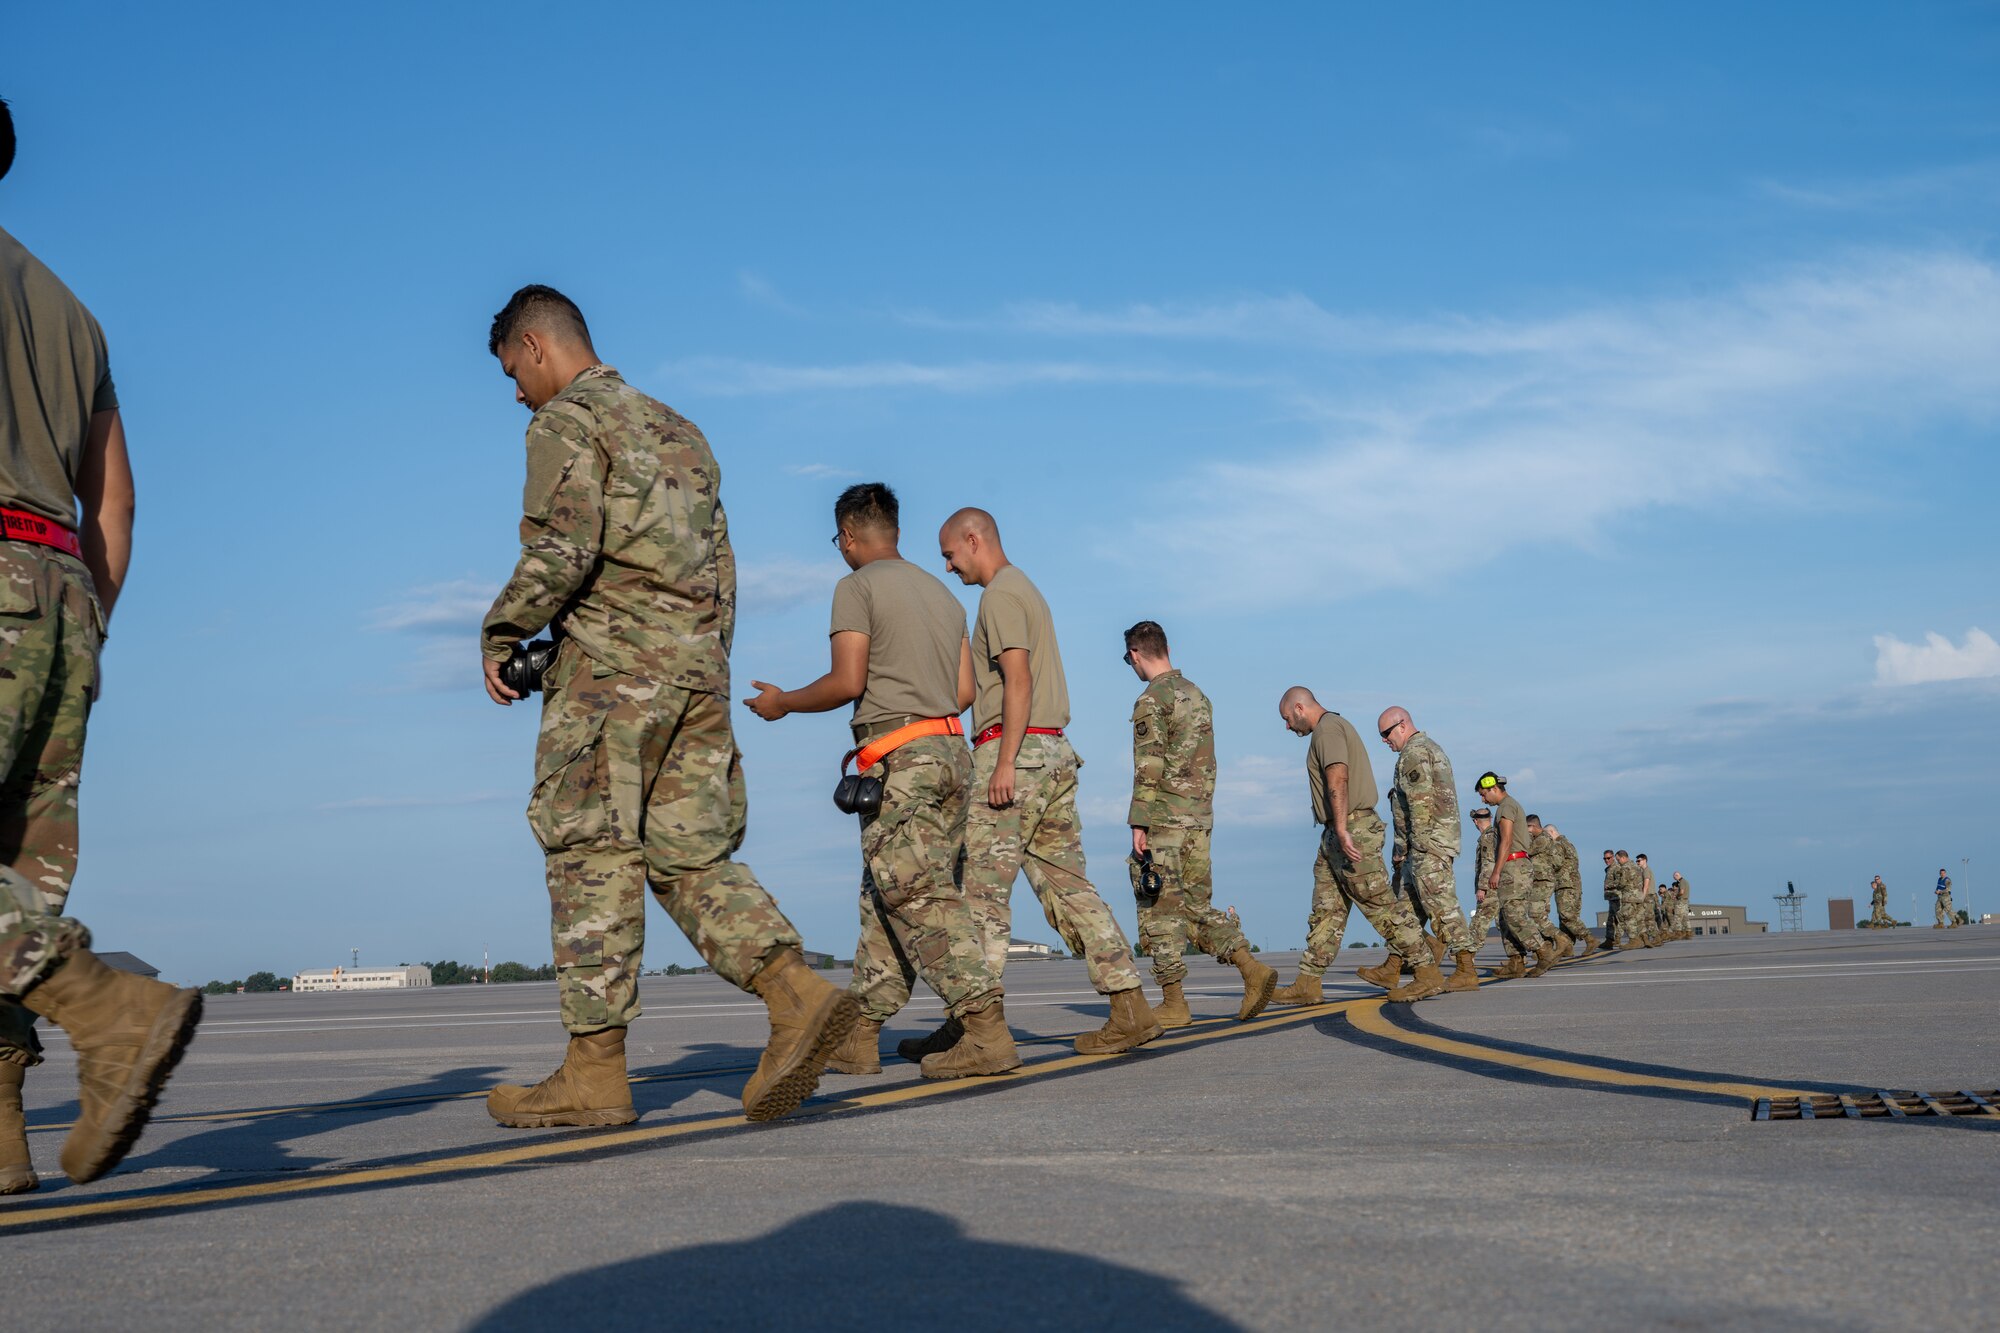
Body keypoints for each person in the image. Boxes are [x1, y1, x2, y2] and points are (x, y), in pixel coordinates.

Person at [479, 285, 855, 1128]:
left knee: (591, 854)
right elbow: (723, 568)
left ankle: (595, 1073)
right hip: (696, 673)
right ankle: (795, 991)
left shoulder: (566, 422)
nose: (515, 393)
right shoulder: (682, 429)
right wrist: (706, 662)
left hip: (610, 680)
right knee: (691, 858)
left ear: (537, 347)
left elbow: (564, 546)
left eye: (513, 372)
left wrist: (503, 633)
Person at [0, 98, 203, 1194]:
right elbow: (113, 501)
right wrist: (82, 618)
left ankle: (112, 1008)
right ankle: (1, 1140)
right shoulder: (70, 309)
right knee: (15, 882)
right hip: (61, 587)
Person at [742, 483, 1016, 1080]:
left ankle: (986, 1030)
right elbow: (966, 694)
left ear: (847, 537)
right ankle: (861, 1035)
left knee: (919, 900)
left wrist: (783, 702)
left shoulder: (855, 587)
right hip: (950, 754)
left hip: (901, 759)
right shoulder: (945, 597)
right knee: (886, 897)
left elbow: (847, 680)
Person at [915, 508, 1158, 1057]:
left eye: (950, 555)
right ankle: (1130, 1007)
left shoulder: (999, 595)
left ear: (973, 541)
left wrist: (1004, 762)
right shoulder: (1025, 589)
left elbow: (1017, 678)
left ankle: (979, 1032)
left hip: (1016, 753)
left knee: (981, 894)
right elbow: (983, 687)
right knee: (1069, 888)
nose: (950, 567)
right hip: (1051, 752)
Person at [1121, 621, 1276, 1026]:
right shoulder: (1198, 695)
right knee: (1194, 907)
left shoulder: (1151, 700)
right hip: (1199, 820)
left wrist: (1139, 822)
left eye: (1128, 658)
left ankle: (1174, 1003)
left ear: (1137, 654)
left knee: (1158, 910)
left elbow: (1149, 766)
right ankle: (1251, 969)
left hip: (1166, 822)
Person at [1271, 688, 1442, 1003]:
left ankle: (1426, 972)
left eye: (1287, 719)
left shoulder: (1327, 729)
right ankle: (1308, 983)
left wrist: (1341, 826)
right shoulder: (1329, 728)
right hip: (1336, 834)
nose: (1287, 727)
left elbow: (1338, 774)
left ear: (1298, 708)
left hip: (1350, 827)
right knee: (1326, 911)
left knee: (1379, 906)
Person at [1379, 707, 1478, 991]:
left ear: (1402, 725)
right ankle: (1393, 966)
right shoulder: (1424, 749)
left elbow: (1419, 803)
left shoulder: (1415, 752)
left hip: (1427, 845)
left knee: (1441, 905)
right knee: (1405, 910)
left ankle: (1465, 969)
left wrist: (1417, 845)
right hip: (1423, 845)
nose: (1385, 740)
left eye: (1386, 734)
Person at [1477, 774, 1560, 976]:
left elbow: (1505, 841)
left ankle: (1543, 951)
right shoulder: (1508, 806)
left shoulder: (1506, 807)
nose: (1483, 800)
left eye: (1483, 794)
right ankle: (1516, 961)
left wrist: (1495, 872)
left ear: (1493, 789)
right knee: (1505, 917)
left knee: (1514, 914)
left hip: (1513, 865)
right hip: (1513, 865)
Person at [1544, 823, 1597, 955]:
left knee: (1566, 915)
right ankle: (1567, 947)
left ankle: (1589, 939)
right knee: (1568, 916)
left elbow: (1556, 863)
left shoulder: (1557, 845)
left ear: (1551, 832)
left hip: (1565, 883)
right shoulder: (1568, 843)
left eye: (1546, 835)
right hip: (1574, 884)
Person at [1525, 815, 1573, 960]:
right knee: (1540, 915)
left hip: (1542, 881)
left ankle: (1561, 939)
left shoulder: (1542, 839)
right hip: (1541, 880)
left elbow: (1527, 850)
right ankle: (1549, 945)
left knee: (1535, 915)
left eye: (1527, 828)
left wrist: (1525, 836)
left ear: (1532, 827)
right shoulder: (1543, 838)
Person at [1466, 806, 1500, 947]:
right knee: (1504, 922)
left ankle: (1468, 953)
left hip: (1490, 887)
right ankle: (1519, 956)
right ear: (1490, 819)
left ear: (1475, 821)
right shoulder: (1496, 835)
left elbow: (1488, 863)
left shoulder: (1487, 837)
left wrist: (1482, 887)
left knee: (1479, 921)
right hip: (1500, 885)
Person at [1613, 851, 1654, 948]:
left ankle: (1634, 941)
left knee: (1628, 917)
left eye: (1618, 859)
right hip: (1639, 897)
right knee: (1639, 919)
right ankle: (1645, 938)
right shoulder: (1637, 867)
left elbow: (1622, 884)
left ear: (1623, 858)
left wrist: (1614, 885)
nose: (1618, 862)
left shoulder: (1625, 868)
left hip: (1629, 897)